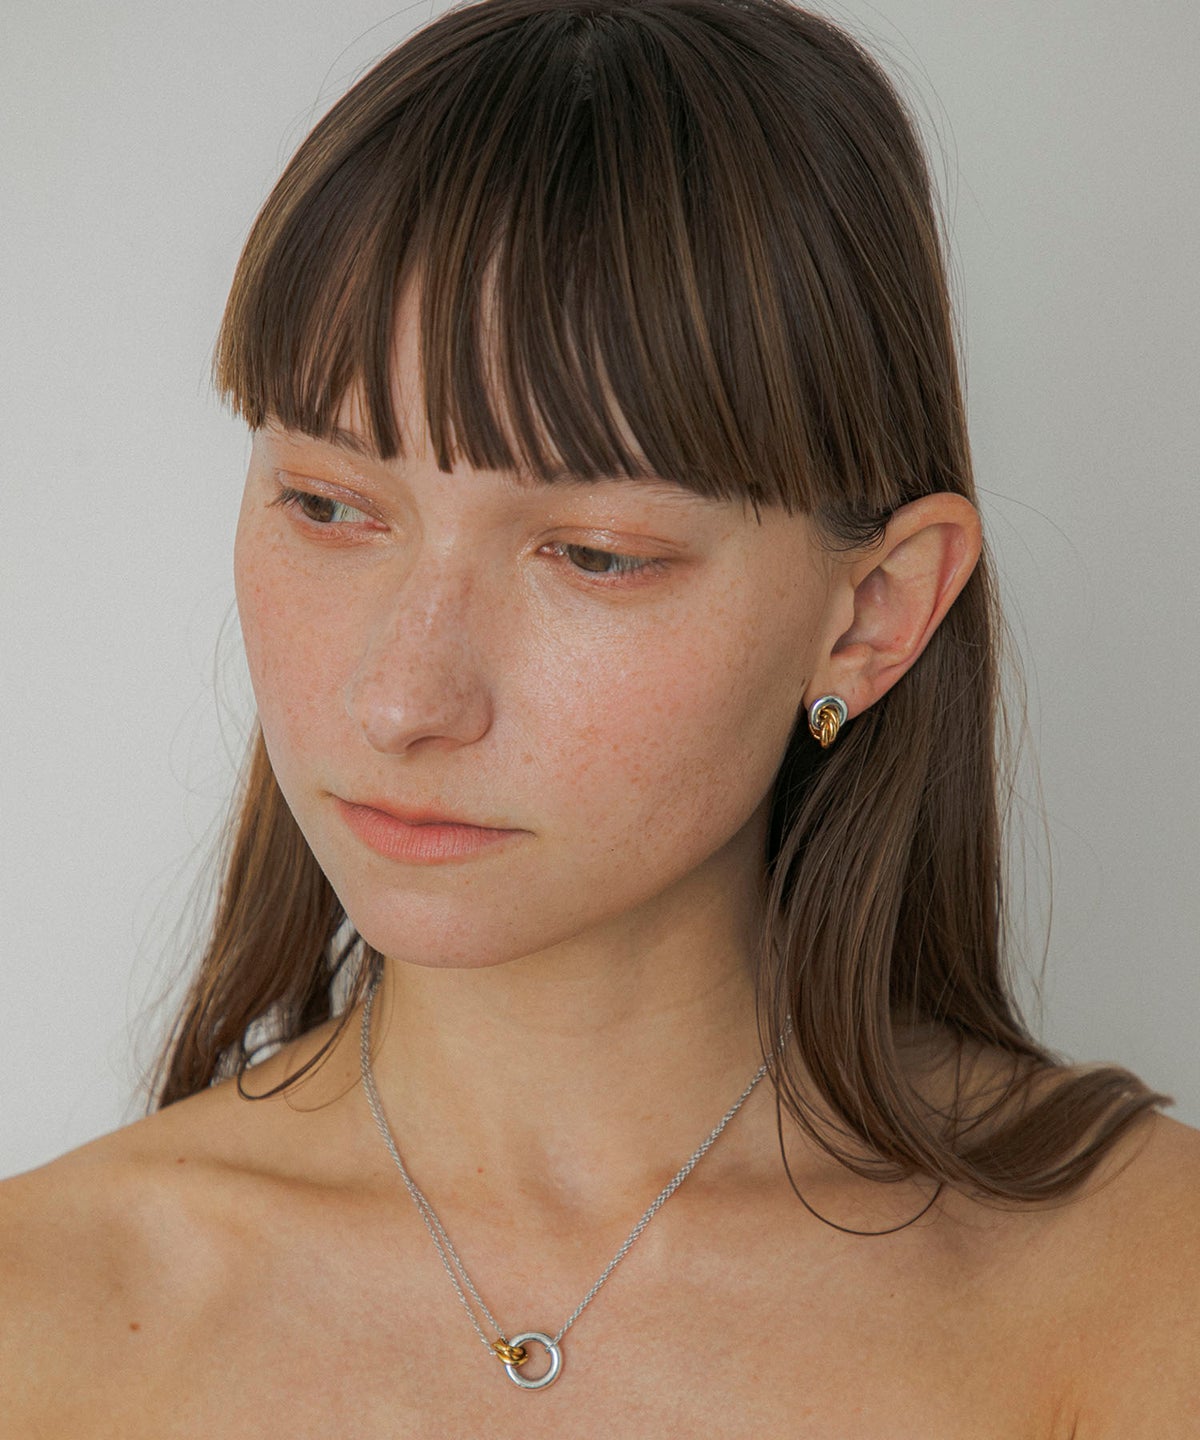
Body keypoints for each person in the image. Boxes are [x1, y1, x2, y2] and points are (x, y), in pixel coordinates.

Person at [3, 0, 1197, 1431]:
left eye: (595, 555)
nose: (403, 698)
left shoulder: (1147, 1293)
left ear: (873, 613)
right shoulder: (42, 1315)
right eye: (325, 505)